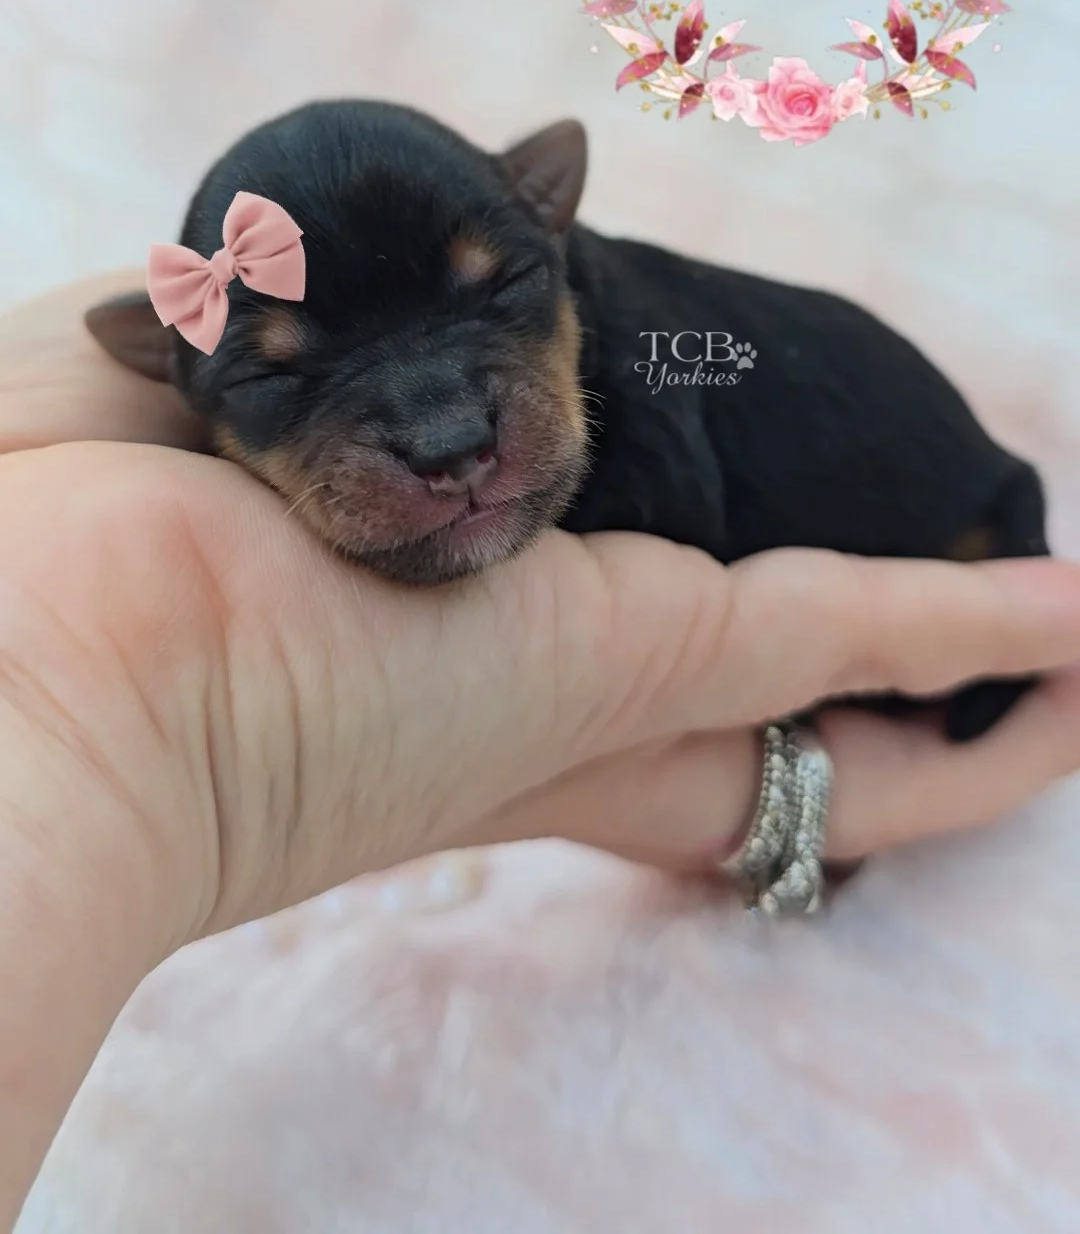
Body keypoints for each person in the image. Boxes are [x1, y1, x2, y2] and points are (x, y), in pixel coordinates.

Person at [3, 272, 1080, 1230]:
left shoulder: (663, 353)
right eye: (285, 372)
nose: (443, 439)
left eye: (492, 300)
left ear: (547, 229)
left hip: (942, 510)